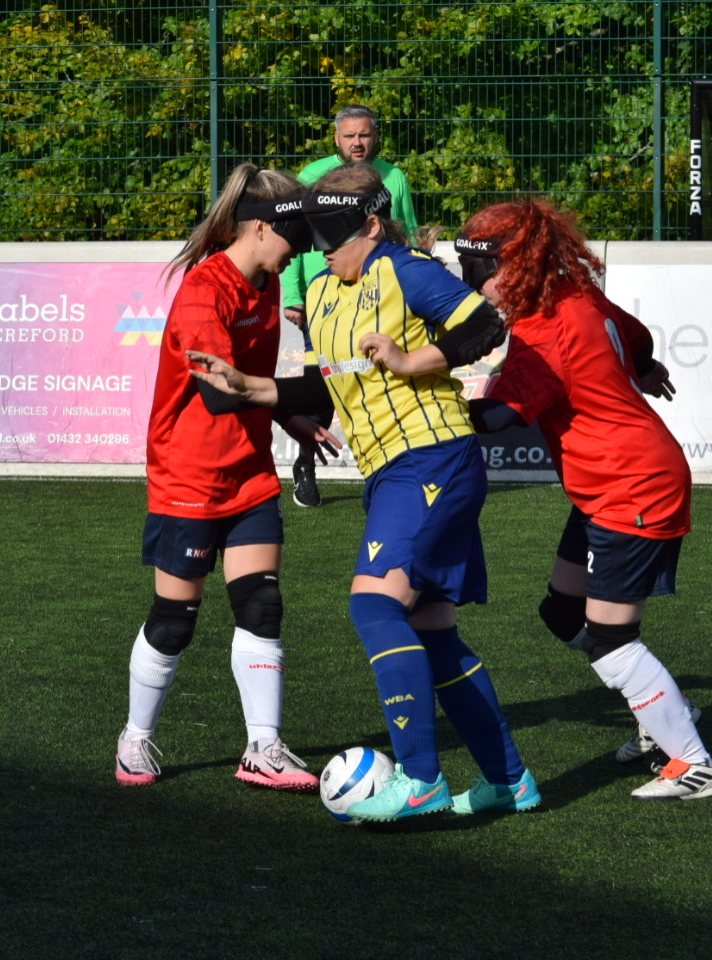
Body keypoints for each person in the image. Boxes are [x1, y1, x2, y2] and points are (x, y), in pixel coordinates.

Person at [190, 163, 540, 821]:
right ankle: (509, 779)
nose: (323, 247)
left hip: (433, 457)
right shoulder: (321, 294)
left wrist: (413, 361)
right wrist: (252, 387)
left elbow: (483, 327)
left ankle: (421, 779)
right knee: (433, 628)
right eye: (315, 235)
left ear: (372, 224)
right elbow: (328, 386)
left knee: (374, 607)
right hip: (393, 472)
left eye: (334, 233)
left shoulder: (404, 269)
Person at [448, 201, 712, 800]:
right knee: (564, 614)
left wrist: (428, 400)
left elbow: (498, 418)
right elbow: (638, 334)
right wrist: (642, 367)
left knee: (608, 639)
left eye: (479, 268)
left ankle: (695, 762)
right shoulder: (576, 295)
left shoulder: (545, 329)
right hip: (612, 483)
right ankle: (661, 714)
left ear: (516, 264)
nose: (474, 283)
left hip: (633, 484)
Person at [115, 163, 319, 792]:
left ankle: (263, 748)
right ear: (260, 228)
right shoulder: (207, 292)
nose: (302, 253)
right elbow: (224, 394)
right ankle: (135, 740)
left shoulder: (263, 282)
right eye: (296, 240)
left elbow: (251, 393)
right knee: (176, 619)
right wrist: (310, 392)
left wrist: (291, 413)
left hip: (249, 471)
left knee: (263, 603)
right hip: (190, 474)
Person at [278, 105, 420, 508]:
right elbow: (292, 239)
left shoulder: (395, 177)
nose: (358, 143)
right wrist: (293, 295)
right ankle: (306, 465)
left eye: (365, 135)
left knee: (381, 381)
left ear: (376, 137)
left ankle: (386, 472)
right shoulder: (310, 176)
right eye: (349, 136)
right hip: (320, 298)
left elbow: (405, 235)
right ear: (336, 139)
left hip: (378, 295)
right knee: (320, 386)